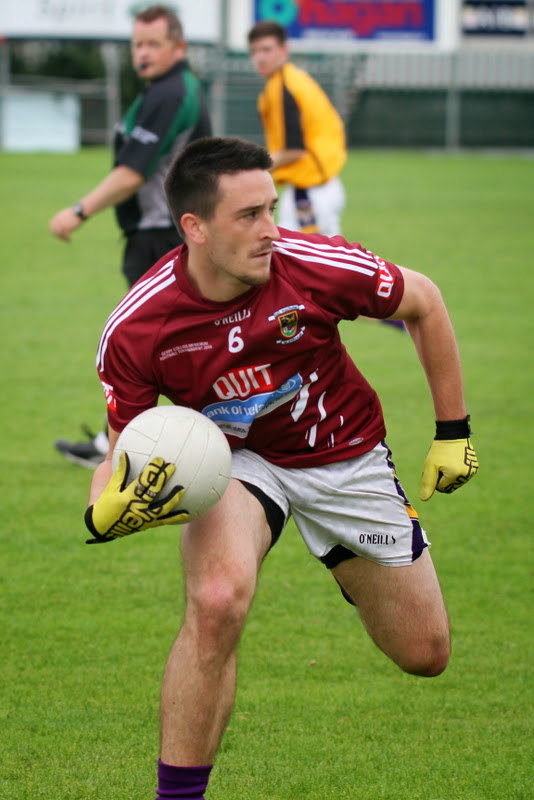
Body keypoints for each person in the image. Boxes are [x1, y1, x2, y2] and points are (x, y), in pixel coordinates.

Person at [84, 136, 479, 800]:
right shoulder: (137, 326)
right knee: (215, 605)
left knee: (425, 654)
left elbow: (425, 302)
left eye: (272, 208)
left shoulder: (314, 264)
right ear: (194, 227)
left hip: (345, 454)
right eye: (250, 216)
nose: (273, 230)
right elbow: (126, 443)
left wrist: (452, 432)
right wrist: (101, 509)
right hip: (234, 465)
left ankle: (352, 564)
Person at [49, 4, 212, 468]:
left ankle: (124, 446)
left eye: (152, 44)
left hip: (161, 234)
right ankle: (127, 440)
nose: (142, 53)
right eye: (137, 44)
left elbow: (133, 173)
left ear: (178, 47)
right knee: (158, 343)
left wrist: (79, 211)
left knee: (140, 343)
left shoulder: (169, 93)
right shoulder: (168, 89)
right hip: (162, 232)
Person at [248, 19, 346, 236]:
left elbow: (294, 150)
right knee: (314, 263)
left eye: (267, 49)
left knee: (308, 263)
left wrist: (253, 169)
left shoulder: (284, 87)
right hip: (317, 184)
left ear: (284, 50)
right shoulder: (292, 80)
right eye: (254, 51)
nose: (260, 57)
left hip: (311, 190)